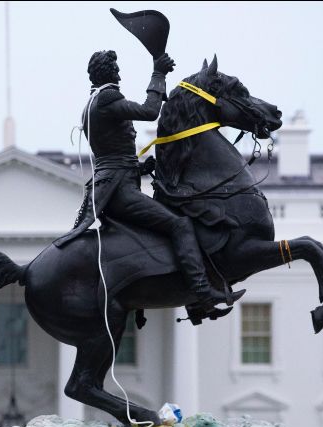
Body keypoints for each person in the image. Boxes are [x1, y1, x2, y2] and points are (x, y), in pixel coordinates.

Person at [54, 50, 241, 313]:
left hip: (116, 184)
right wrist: (158, 73)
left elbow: (112, 155)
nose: (119, 74)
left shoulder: (93, 104)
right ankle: (202, 295)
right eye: (116, 69)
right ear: (108, 73)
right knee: (180, 225)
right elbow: (150, 111)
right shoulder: (107, 99)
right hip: (119, 193)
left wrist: (141, 167)